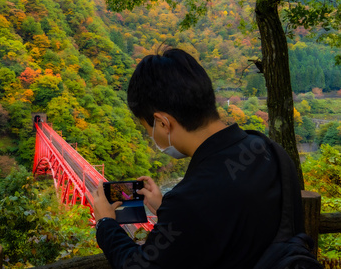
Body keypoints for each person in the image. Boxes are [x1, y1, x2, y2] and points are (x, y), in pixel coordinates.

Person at [92, 48, 303, 268]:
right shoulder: (268, 149)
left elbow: (139, 265)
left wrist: (106, 224)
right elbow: (233, 225)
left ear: (163, 123)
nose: (150, 135)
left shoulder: (190, 200)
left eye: (148, 128)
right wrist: (167, 211)